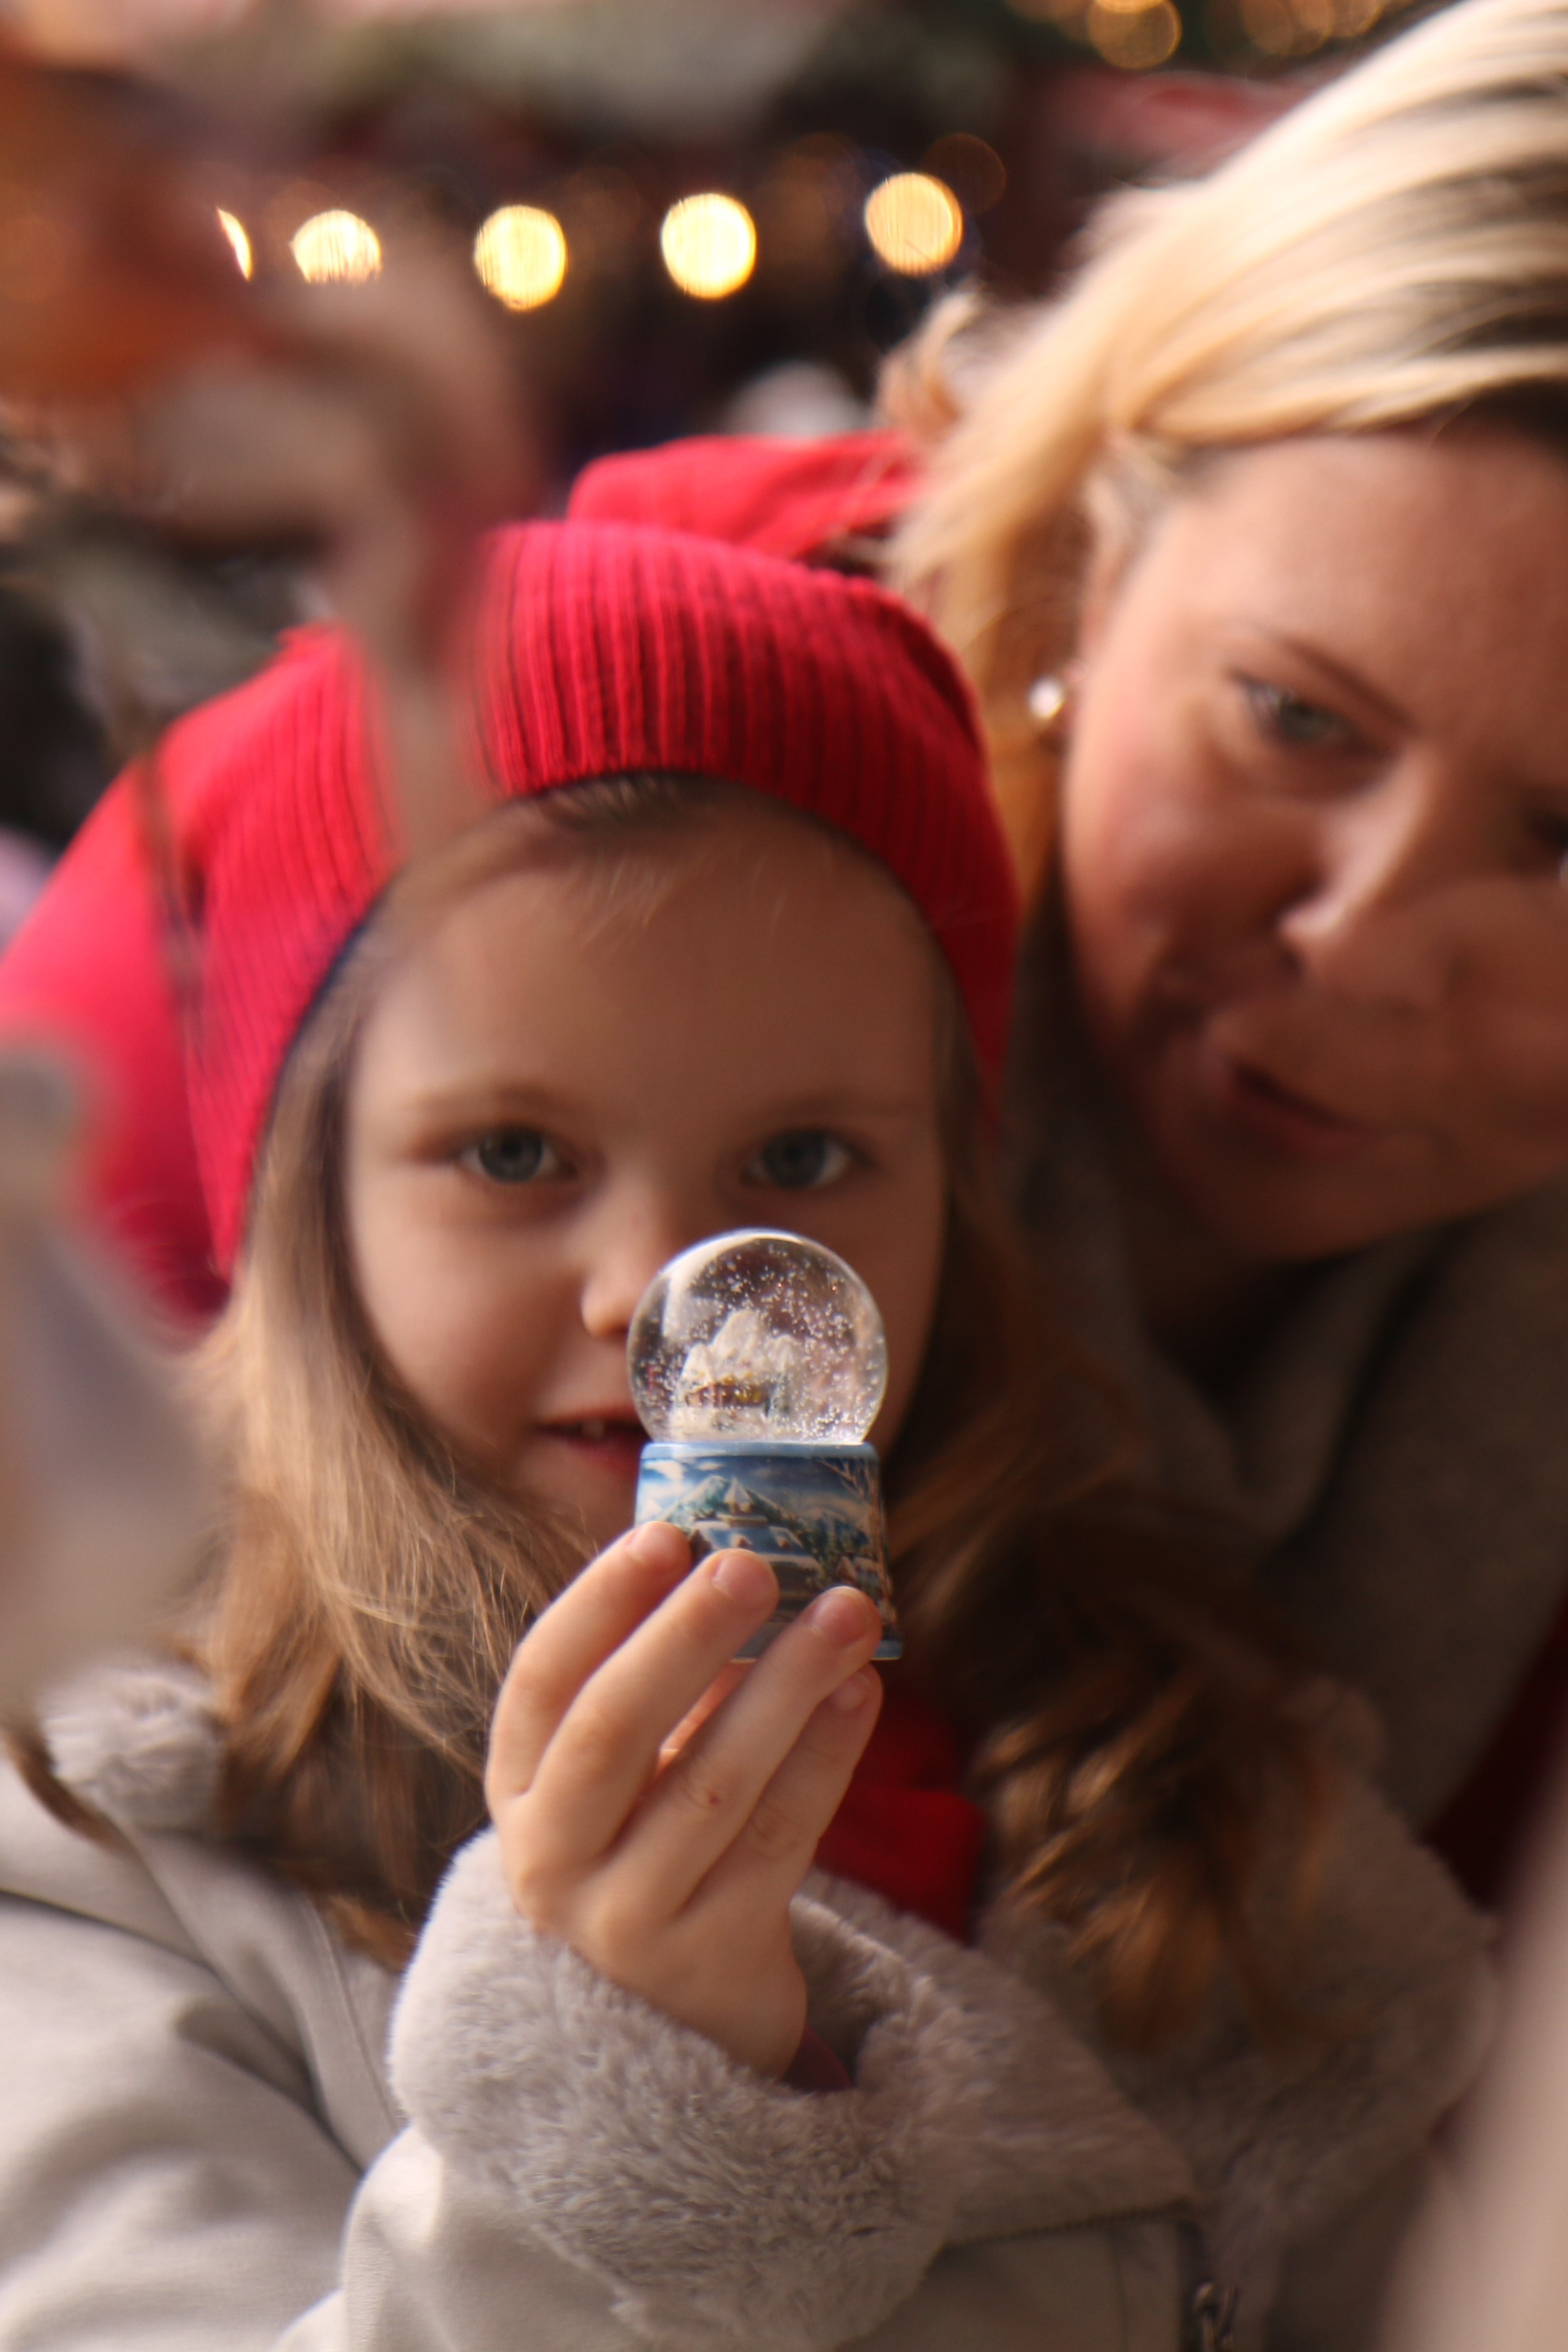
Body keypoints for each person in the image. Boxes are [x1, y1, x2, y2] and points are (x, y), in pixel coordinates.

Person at [0, 520, 1482, 2349]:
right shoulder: (105, 1843)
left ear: (956, 1196)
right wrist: (610, 2118)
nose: (665, 1290)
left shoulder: (1198, 1796)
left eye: (798, 1164)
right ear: (306, 1205)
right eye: (514, 1154)